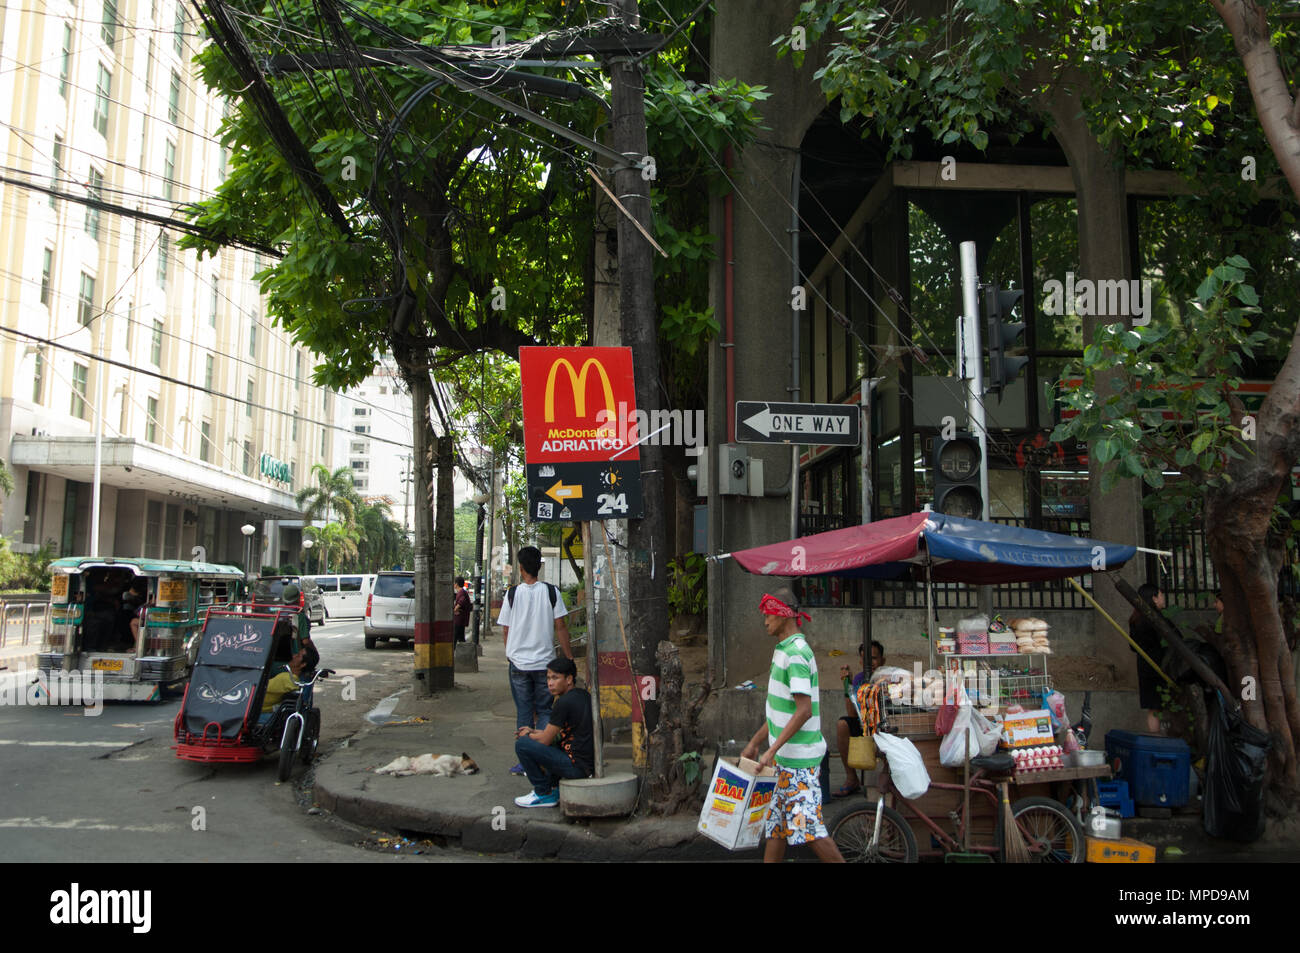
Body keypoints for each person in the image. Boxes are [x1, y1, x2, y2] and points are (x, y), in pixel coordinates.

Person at [742, 588, 844, 863]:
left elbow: (803, 711)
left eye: (768, 615)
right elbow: (781, 711)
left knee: (809, 831)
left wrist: (771, 749)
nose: (765, 621)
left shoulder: (797, 654)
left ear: (784, 614)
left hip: (798, 762)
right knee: (776, 829)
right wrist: (755, 742)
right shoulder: (782, 650)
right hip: (783, 762)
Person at [497, 546, 573, 774]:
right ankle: (542, 758)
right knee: (545, 710)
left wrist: (511, 654)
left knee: (524, 710)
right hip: (545, 664)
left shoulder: (512, 594)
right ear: (539, 566)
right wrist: (569, 657)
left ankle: (525, 760)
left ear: (521, 569)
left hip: (518, 664)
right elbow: (560, 626)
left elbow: (505, 630)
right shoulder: (551, 592)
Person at [513, 657, 594, 807]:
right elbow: (555, 734)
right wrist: (532, 731)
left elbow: (545, 740)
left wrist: (527, 735)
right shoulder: (582, 695)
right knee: (551, 743)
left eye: (555, 678)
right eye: (548, 678)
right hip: (587, 765)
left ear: (569, 679)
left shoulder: (563, 703)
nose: (550, 683)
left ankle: (543, 792)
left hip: (576, 767)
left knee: (522, 745)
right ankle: (554, 788)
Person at [832, 639, 884, 798]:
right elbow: (852, 714)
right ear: (861, 661)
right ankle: (851, 778)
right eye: (865, 658)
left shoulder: (888, 678)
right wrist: (847, 684)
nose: (870, 662)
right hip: (863, 725)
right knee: (842, 724)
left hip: (883, 725)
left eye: (874, 658)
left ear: (883, 660)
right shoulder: (859, 679)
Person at [1129, 582, 1167, 734]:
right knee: (1161, 704)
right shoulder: (1156, 619)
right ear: (1154, 598)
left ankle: (1155, 738)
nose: (1164, 598)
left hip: (1144, 666)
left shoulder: (1135, 619)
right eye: (1161, 594)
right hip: (1161, 665)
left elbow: (1132, 646)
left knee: (1153, 707)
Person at [453, 576, 472, 643]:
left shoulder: (461, 592)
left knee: (455, 637)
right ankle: (462, 650)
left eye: (454, 583)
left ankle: (455, 651)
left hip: (459, 619)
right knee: (461, 638)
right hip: (461, 619)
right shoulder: (462, 592)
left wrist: (455, 609)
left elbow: (461, 601)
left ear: (456, 584)